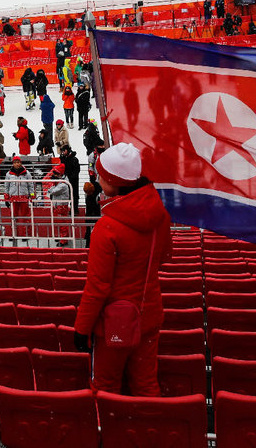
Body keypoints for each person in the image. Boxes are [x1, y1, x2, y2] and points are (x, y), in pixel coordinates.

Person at [73, 143, 172, 396]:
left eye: (101, 175)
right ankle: (149, 433)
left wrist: (82, 328)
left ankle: (111, 433)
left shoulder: (107, 228)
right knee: (145, 382)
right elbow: (163, 257)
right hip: (149, 312)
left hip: (115, 322)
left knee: (105, 387)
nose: (97, 178)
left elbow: (97, 286)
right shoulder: (159, 214)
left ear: (113, 181)